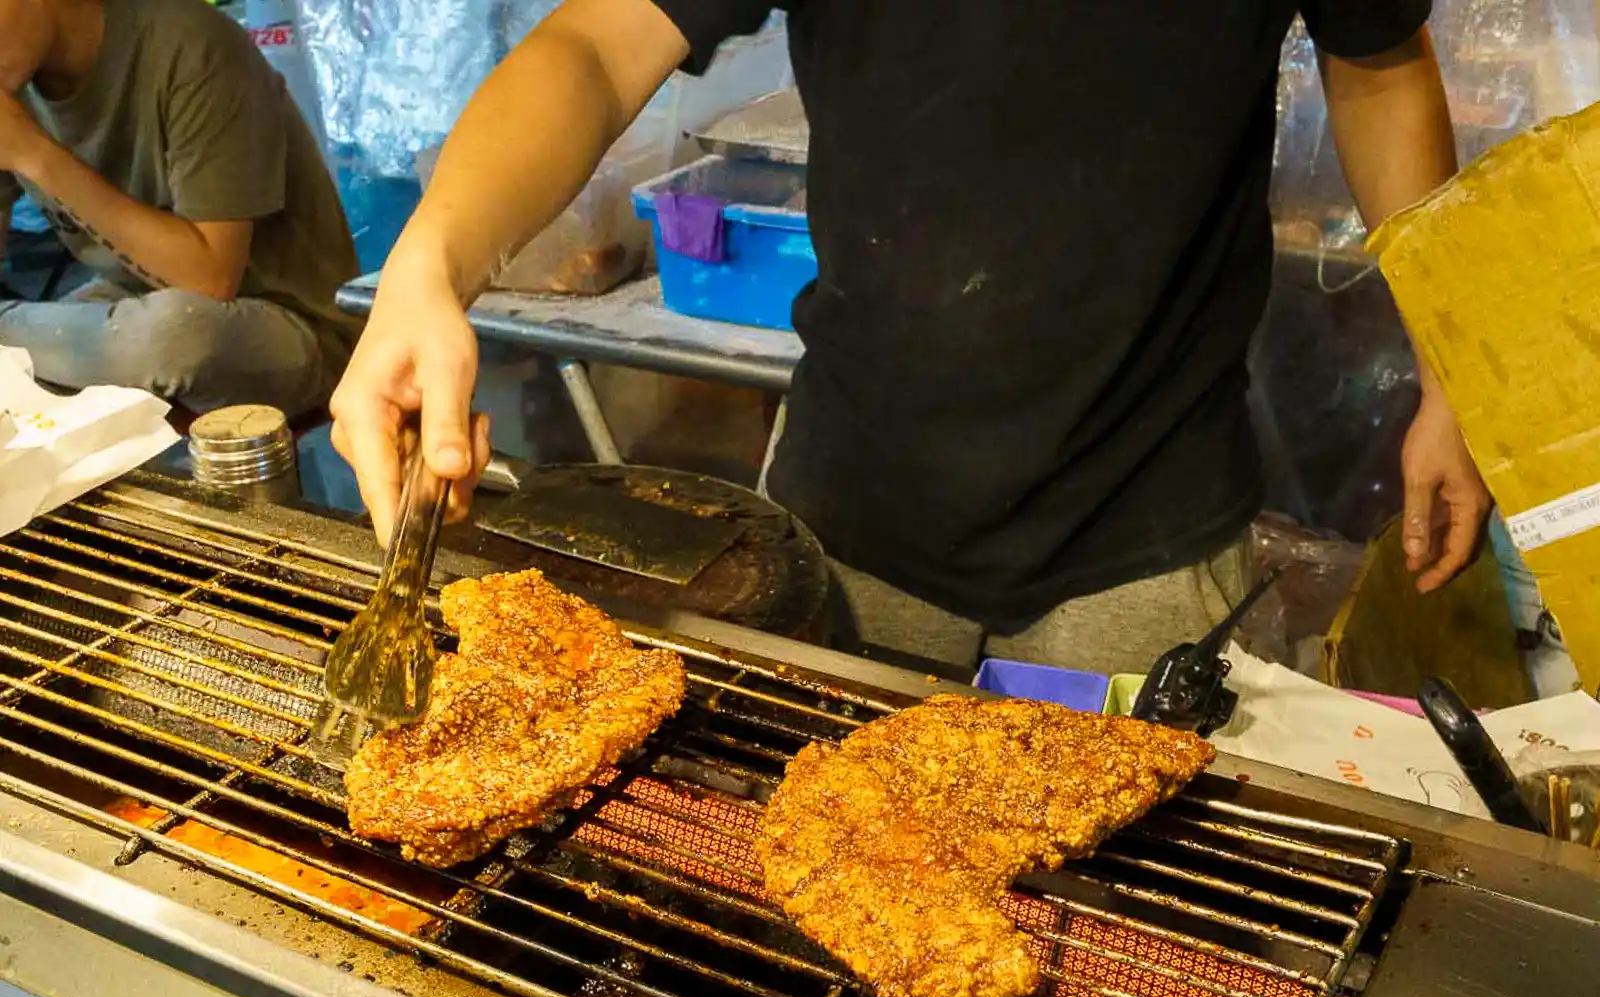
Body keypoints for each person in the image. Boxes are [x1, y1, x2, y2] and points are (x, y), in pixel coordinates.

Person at [329, 0, 1491, 674]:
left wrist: (1455, 358)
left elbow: (1378, 65)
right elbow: (592, 45)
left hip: (1153, 538)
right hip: (852, 518)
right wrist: (429, 265)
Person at [0, 0, 361, 419]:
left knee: (173, 336)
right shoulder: (17, 79)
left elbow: (208, 281)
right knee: (79, 341)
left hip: (286, 326)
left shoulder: (193, 45)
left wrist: (34, 154)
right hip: (132, 306)